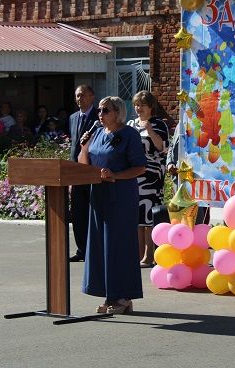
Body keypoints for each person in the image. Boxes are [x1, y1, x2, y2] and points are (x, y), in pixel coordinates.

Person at [78, 96, 146, 314]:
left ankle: (123, 297)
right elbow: (83, 164)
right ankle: (110, 296)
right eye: (99, 110)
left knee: (119, 246)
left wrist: (116, 175)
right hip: (98, 194)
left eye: (105, 110)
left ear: (118, 112)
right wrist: (84, 146)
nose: (100, 114)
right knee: (101, 246)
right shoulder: (96, 133)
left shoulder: (129, 135)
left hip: (121, 195)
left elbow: (140, 167)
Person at [126, 91, 169, 268]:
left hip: (151, 175)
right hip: (133, 174)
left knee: (149, 217)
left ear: (151, 107)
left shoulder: (159, 124)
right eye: (136, 104)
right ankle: (137, 254)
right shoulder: (130, 124)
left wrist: (149, 129)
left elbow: (163, 147)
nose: (138, 108)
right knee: (136, 217)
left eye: (142, 105)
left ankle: (149, 255)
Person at [68, 85, 98, 262]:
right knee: (78, 214)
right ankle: (81, 250)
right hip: (75, 173)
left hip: (92, 171)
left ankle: (93, 250)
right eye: (77, 96)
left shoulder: (100, 116)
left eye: (83, 95)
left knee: (92, 213)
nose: (80, 99)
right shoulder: (72, 118)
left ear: (92, 97)